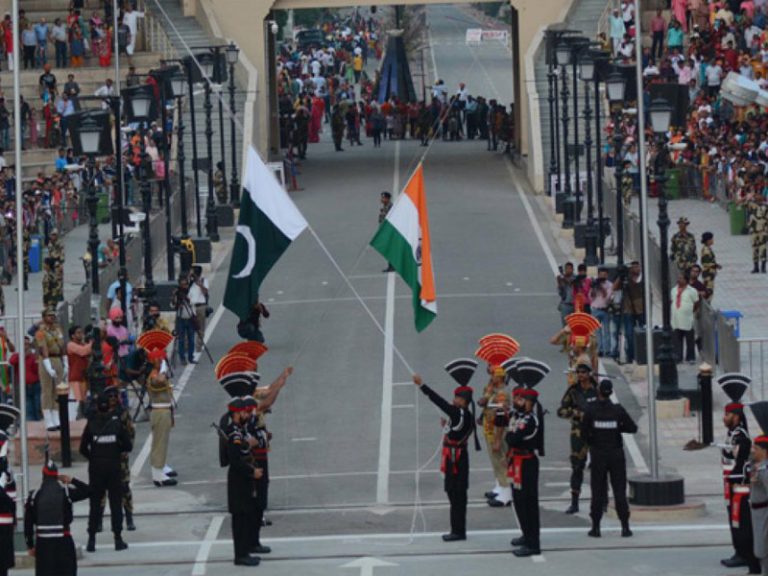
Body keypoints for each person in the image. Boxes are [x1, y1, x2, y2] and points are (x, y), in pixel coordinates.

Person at [413, 373, 480, 541]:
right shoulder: (463, 415)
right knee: (453, 492)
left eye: (457, 398)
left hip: (457, 458)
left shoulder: (460, 414)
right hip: (453, 456)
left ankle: (458, 531)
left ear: (464, 401)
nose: (454, 400)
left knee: (457, 495)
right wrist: (448, 426)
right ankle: (457, 529)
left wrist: (422, 386)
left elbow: (438, 400)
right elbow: (457, 430)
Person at [582, 379, 638, 538]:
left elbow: (584, 433)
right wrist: (618, 427)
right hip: (616, 454)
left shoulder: (590, 410)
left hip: (598, 454)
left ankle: (596, 527)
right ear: (611, 393)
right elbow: (632, 428)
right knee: (619, 491)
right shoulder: (617, 411)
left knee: (597, 491)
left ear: (598, 391)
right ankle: (625, 527)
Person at [80, 393, 131, 553]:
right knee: (115, 503)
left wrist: (94, 457)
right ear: (109, 406)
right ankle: (118, 539)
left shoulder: (91, 423)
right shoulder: (116, 423)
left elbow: (82, 448)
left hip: (96, 468)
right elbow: (128, 445)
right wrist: (115, 452)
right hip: (113, 467)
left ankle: (91, 541)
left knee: (95, 504)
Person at [24, 459, 90, 576]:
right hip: (63, 541)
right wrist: (72, 480)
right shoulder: (65, 492)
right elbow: (89, 491)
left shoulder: (34, 496)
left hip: (43, 543)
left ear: (43, 475)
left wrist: (30, 545)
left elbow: (28, 523)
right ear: (57, 476)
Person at [720, 395, 760, 572]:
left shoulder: (741, 436)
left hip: (739, 485)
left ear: (736, 416)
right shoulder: (732, 434)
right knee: (734, 519)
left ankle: (744, 553)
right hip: (730, 483)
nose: (724, 418)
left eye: (727, 414)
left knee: (740, 520)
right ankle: (739, 550)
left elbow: (739, 460)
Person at [506, 386, 544, 557]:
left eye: (522, 400)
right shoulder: (518, 416)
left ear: (530, 403)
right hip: (516, 461)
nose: (518, 402)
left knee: (529, 502)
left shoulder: (531, 420)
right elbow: (507, 430)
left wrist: (511, 432)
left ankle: (533, 543)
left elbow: (513, 438)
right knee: (518, 500)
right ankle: (526, 533)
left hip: (527, 463)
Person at [224, 397, 262, 567]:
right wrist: (252, 471)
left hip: (243, 480)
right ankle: (240, 555)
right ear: (237, 414)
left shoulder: (239, 431)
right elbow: (236, 460)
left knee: (245, 516)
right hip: (238, 480)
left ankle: (244, 551)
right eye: (245, 412)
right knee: (240, 519)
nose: (247, 415)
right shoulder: (234, 434)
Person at [557, 363, 598, 514]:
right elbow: (561, 410)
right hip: (578, 432)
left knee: (599, 467)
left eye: (583, 372)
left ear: (589, 373)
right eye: (578, 372)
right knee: (577, 467)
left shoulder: (597, 389)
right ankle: (574, 502)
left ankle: (602, 501)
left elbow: (607, 406)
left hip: (596, 432)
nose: (580, 375)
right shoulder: (574, 391)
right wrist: (576, 413)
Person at [478, 366, 511, 507]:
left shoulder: (502, 394)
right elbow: (483, 404)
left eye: (494, 374)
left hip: (498, 432)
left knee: (501, 461)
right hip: (490, 430)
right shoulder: (493, 390)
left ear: (500, 377)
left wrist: (498, 440)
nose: (491, 376)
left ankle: (506, 493)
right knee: (495, 461)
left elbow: (502, 418)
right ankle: (500, 486)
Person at [146, 348, 177, 487]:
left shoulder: (158, 373)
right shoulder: (154, 374)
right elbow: (159, 381)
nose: (164, 361)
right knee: (159, 443)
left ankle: (161, 466)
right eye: (161, 359)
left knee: (162, 441)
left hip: (164, 410)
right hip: (159, 412)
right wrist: (163, 369)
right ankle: (157, 475)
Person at [36, 307, 66, 431]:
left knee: (58, 389)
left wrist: (66, 362)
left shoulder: (58, 330)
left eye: (53, 315)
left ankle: (56, 417)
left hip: (57, 359)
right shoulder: (41, 332)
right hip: (46, 360)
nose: (52, 317)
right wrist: (48, 366)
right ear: (44, 318)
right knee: (47, 390)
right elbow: (43, 349)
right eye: (49, 315)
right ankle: (48, 419)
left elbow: (62, 345)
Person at [749, 432, 768, 576]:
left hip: (764, 514)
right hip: (757, 514)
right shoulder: (757, 467)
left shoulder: (765, 470)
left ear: (764, 451)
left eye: (755, 448)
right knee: (760, 549)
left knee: (764, 549)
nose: (752, 451)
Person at [671, 273, 700, 364]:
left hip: (687, 319)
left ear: (686, 280)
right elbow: (672, 301)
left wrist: (689, 310)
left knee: (689, 339)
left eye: (681, 278)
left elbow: (696, 303)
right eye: (678, 278)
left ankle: (690, 357)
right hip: (676, 319)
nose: (679, 280)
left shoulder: (692, 291)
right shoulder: (673, 290)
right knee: (677, 339)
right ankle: (678, 356)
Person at [66, 325, 92, 418]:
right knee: (78, 400)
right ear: (72, 335)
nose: (81, 335)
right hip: (75, 377)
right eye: (78, 333)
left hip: (84, 376)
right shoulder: (71, 345)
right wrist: (92, 343)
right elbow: (83, 351)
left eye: (81, 332)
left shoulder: (83, 344)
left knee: (84, 400)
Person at [171, 276, 196, 365]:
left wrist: (185, 298)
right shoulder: (178, 293)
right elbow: (173, 305)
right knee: (181, 339)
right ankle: (182, 358)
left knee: (191, 339)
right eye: (182, 285)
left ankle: (191, 357)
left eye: (185, 284)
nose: (184, 286)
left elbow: (193, 302)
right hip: (180, 318)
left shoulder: (191, 291)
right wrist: (175, 296)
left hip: (190, 318)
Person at [188, 266, 209, 353]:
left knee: (200, 328)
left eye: (192, 272)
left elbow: (205, 292)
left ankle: (198, 347)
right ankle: (188, 346)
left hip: (200, 307)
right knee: (190, 327)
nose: (191, 274)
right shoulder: (190, 282)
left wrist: (199, 283)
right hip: (191, 307)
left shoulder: (203, 280)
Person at [747, 194, 768, 274]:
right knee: (754, 249)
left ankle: (763, 267)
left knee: (763, 249)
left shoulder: (765, 207)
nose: (758, 198)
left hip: (763, 231)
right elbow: (740, 203)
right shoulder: (751, 205)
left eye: (759, 197)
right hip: (753, 230)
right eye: (756, 197)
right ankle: (755, 267)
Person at [700, 231, 721, 301]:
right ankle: (707, 307)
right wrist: (715, 265)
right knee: (708, 291)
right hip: (708, 274)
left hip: (709, 274)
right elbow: (705, 263)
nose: (712, 240)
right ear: (707, 240)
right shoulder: (706, 250)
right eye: (711, 239)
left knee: (709, 291)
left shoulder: (708, 248)